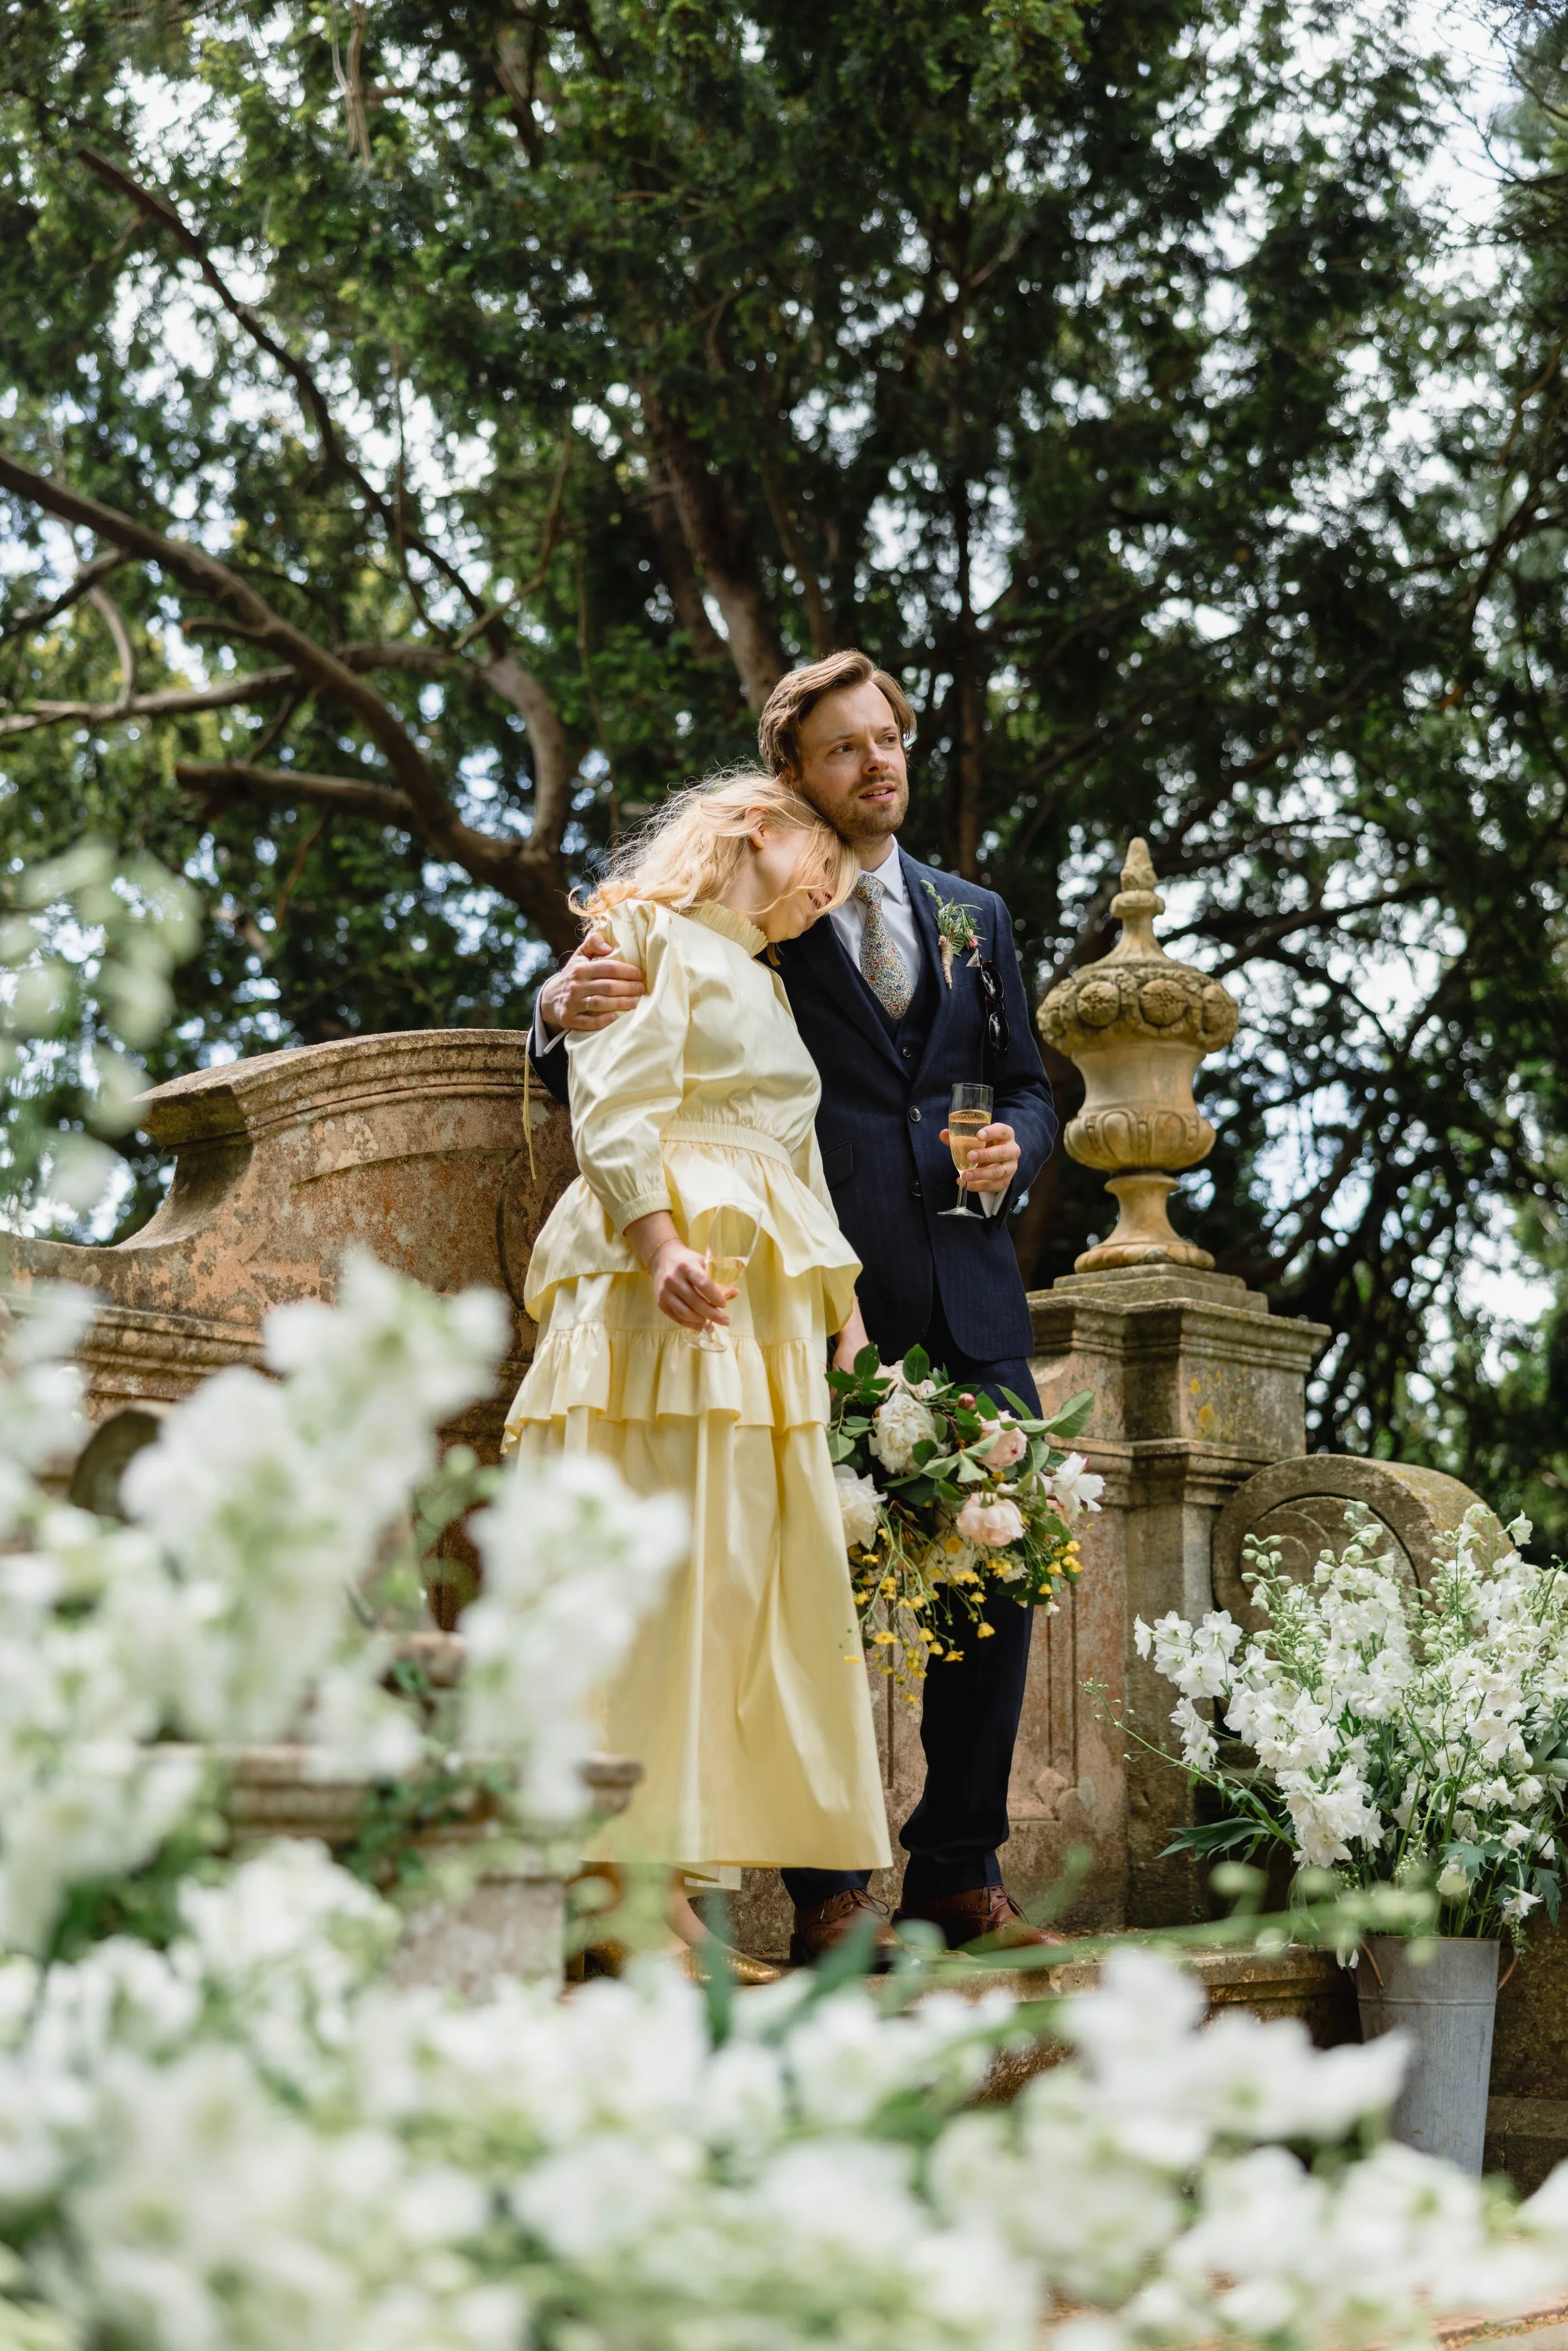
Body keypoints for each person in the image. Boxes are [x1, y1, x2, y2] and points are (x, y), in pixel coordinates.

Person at [532, 650, 1062, 1963]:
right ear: (790, 779)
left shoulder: (970, 914)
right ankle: (829, 1895)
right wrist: (551, 1008)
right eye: (844, 748)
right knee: (781, 1585)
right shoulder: (755, 905)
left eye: (888, 738)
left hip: (955, 1292)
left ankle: (957, 1861)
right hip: (783, 1303)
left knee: (1003, 1561)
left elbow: (1028, 1083)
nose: (877, 763)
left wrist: (1016, 1153)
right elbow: (610, 1023)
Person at [504, 772, 891, 1957]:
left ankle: (651, 1888)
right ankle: (621, 1888)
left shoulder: (769, 986)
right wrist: (657, 1237)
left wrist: (845, 1309)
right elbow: (611, 1094)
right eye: (821, 870)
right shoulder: (642, 933)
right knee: (655, 1579)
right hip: (656, 1296)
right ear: (758, 830)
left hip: (760, 1314)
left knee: (727, 1586)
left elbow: (793, 1156)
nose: (829, 897)